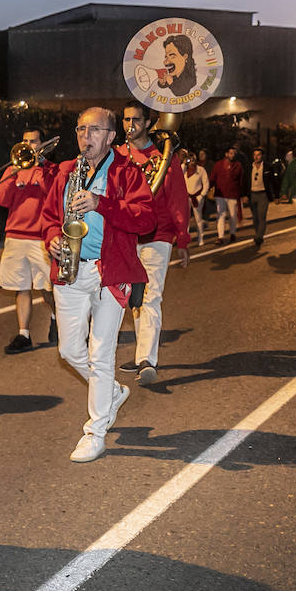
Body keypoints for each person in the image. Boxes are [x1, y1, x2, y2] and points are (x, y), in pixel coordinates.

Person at [43, 107, 153, 462]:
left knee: (100, 354)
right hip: (70, 270)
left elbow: (146, 218)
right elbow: (48, 218)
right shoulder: (64, 172)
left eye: (95, 130)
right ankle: (113, 393)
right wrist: (50, 240)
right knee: (69, 351)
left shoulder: (127, 172)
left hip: (112, 272)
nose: (86, 137)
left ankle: (95, 430)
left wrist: (100, 203)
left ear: (110, 136)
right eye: (81, 129)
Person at [117, 102, 188, 385]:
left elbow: (178, 200)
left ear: (148, 123)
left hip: (157, 236)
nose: (129, 124)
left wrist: (182, 238)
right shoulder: (116, 156)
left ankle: (148, 359)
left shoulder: (164, 157)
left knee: (151, 296)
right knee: (134, 299)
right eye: (125, 119)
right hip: (126, 235)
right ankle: (139, 356)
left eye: (135, 119)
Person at [0, 127, 57, 353]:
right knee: (21, 288)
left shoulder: (49, 170)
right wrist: (15, 174)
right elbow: (0, 199)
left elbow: (55, 196)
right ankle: (24, 334)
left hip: (41, 239)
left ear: (43, 144)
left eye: (34, 141)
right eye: (26, 141)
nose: (29, 145)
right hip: (15, 236)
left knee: (47, 288)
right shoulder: (13, 169)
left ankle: (57, 317)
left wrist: (39, 172)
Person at [246, 148, 281, 248]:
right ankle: (258, 234)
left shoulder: (268, 167)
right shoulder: (249, 167)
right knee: (255, 217)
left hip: (263, 195)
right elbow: (245, 182)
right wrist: (244, 195)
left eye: (258, 155)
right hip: (252, 194)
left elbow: (274, 182)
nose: (256, 157)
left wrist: (276, 196)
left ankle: (259, 236)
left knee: (261, 216)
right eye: (255, 155)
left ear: (262, 156)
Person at [210, 145, 244, 244]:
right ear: (226, 154)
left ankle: (232, 233)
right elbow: (213, 177)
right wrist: (208, 187)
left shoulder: (238, 165)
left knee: (233, 215)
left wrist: (242, 194)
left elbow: (241, 180)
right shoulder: (218, 165)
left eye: (234, 153)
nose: (232, 155)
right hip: (220, 194)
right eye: (230, 153)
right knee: (221, 215)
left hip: (233, 194)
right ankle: (220, 236)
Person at [182, 152, 210, 246]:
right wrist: (184, 163)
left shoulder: (201, 170)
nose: (191, 161)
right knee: (186, 219)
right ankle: (185, 239)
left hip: (197, 197)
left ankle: (201, 238)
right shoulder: (184, 169)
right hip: (186, 197)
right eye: (189, 159)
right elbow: (178, 173)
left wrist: (202, 195)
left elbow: (206, 184)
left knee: (198, 218)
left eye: (193, 159)